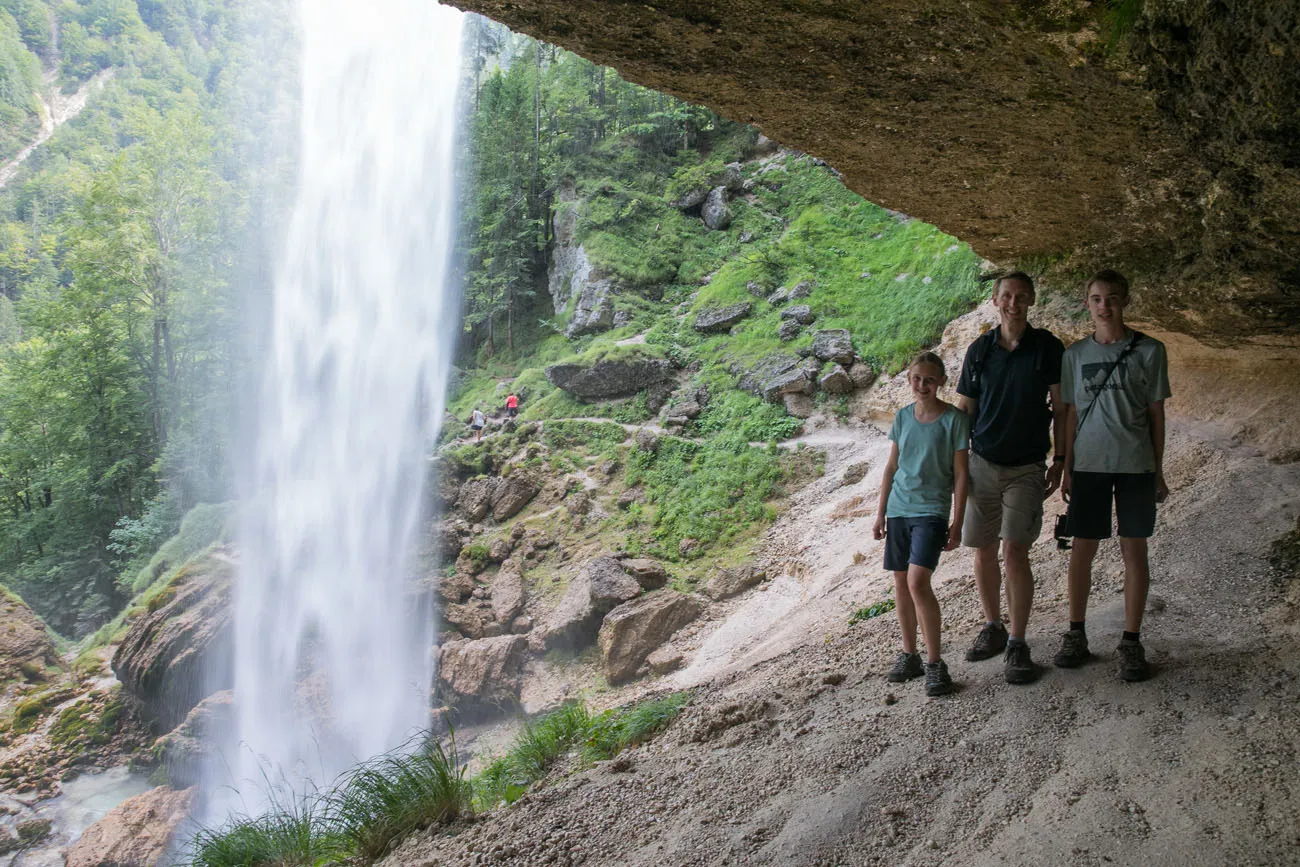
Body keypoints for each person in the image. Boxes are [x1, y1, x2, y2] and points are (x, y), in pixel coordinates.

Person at [1055, 270, 1170, 682]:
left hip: (1136, 463)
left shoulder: (1150, 351)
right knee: (1083, 548)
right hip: (1088, 464)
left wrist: (1159, 469)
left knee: (1133, 550)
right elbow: (1067, 414)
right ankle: (1076, 633)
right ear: (1087, 303)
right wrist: (1066, 466)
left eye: (1112, 298)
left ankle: (1131, 641)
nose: (1105, 306)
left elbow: (1156, 414)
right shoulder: (1074, 356)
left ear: (1125, 301)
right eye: (1097, 298)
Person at [954, 272, 1066, 684]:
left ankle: (1018, 642)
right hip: (983, 462)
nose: (1013, 303)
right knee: (982, 549)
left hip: (1026, 465)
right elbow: (965, 408)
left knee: (1015, 550)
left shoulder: (1048, 348)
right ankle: (993, 627)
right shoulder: (980, 350)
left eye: (1020, 296)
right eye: (1006, 296)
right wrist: (955, 463)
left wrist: (1062, 458)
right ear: (994, 300)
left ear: (1031, 299)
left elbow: (1062, 407)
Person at [873, 351, 971, 697]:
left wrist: (958, 522)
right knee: (901, 583)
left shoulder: (955, 420)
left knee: (917, 581)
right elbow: (891, 467)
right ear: (909, 380)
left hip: (932, 510)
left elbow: (961, 475)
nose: (922, 385)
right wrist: (880, 512)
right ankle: (909, 654)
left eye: (929, 379)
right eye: (916, 378)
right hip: (900, 508)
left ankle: (935, 663)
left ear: (941, 381)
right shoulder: (902, 417)